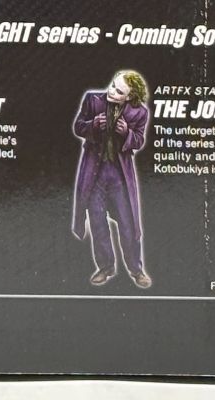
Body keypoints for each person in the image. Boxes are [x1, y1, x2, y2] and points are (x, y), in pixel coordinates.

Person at [72, 69, 152, 288]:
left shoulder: (139, 112)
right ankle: (106, 267)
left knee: (128, 224)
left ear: (130, 96)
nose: (112, 91)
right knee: (97, 223)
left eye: (119, 91)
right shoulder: (92, 100)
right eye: (113, 85)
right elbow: (78, 127)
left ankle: (136, 269)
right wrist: (92, 125)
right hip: (94, 174)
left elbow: (139, 141)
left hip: (119, 176)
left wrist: (127, 133)